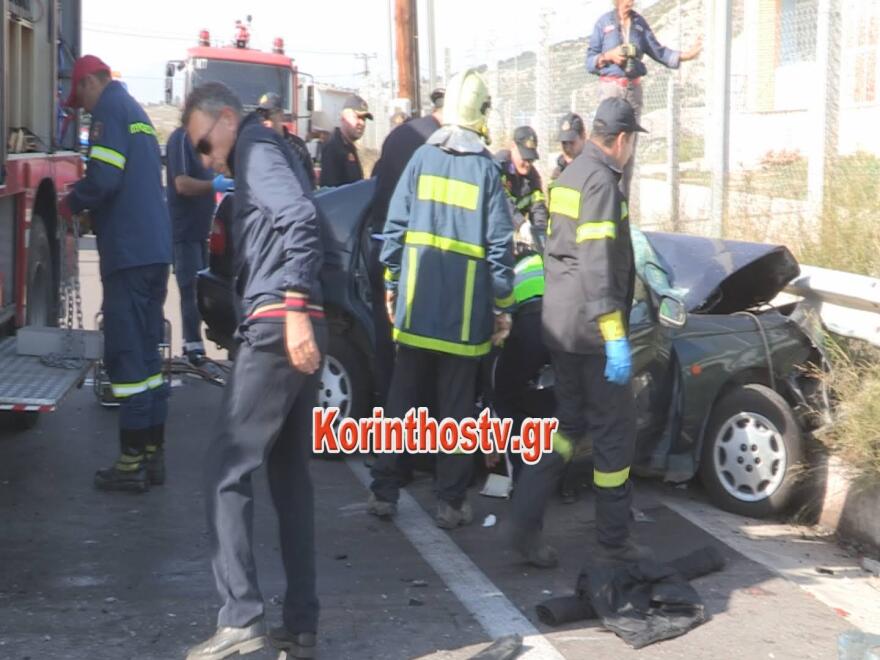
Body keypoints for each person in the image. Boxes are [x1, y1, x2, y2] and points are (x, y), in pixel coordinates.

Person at [182, 82, 326, 660]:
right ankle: (302, 623)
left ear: (225, 118)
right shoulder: (280, 150)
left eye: (202, 144)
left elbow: (299, 220)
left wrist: (292, 310)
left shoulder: (254, 149)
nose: (205, 159)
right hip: (297, 321)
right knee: (290, 476)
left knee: (225, 468)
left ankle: (241, 616)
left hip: (276, 326)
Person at [368, 69, 515, 529]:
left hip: (416, 309)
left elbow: (392, 233)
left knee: (402, 400)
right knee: (455, 409)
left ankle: (384, 491)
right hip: (465, 316)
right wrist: (502, 306)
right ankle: (451, 502)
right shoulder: (487, 170)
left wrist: (392, 286)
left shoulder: (420, 160)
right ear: (481, 115)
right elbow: (499, 248)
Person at [508, 97, 647, 568]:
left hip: (559, 324)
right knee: (614, 434)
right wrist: (614, 335)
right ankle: (614, 542)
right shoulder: (603, 183)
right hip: (591, 331)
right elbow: (596, 262)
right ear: (623, 140)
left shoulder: (568, 176)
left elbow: (560, 251)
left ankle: (524, 518)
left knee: (568, 428)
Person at [60, 55, 172, 493]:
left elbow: (104, 178)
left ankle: (130, 464)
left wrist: (73, 202)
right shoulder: (136, 111)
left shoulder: (109, 109)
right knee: (148, 359)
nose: (83, 108)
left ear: (92, 82)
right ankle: (152, 454)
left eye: (80, 97)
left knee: (126, 360)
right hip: (152, 251)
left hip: (127, 253)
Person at [368, 87, 445, 403]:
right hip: (415, 259)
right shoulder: (438, 146)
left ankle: (393, 433)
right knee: (418, 356)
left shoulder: (398, 137)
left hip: (381, 247)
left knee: (389, 348)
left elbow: (377, 186)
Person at [586, 0, 701, 197]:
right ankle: (600, 197)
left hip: (632, 91)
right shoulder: (603, 23)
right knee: (605, 143)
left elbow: (659, 51)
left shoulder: (639, 24)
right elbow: (589, 61)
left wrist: (686, 56)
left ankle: (622, 207)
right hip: (610, 90)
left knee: (627, 152)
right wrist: (608, 56)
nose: (630, 3)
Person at [165, 126, 233, 365]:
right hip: (185, 230)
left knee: (204, 291)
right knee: (190, 289)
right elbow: (181, 184)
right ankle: (192, 346)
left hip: (202, 229)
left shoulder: (203, 141)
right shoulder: (181, 138)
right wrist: (213, 186)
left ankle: (198, 345)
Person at [495, 126, 549, 251]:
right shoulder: (498, 167)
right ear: (513, 146)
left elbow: (538, 206)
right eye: (524, 158)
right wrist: (521, 224)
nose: (528, 164)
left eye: (531, 159)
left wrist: (540, 234)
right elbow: (502, 200)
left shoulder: (532, 177)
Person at [256, 92, 317, 190]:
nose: (264, 120)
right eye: (261, 116)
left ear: (281, 115)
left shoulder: (298, 146)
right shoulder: (256, 146)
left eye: (268, 115)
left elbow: (310, 182)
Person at [318, 94, 372, 187]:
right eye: (357, 117)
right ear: (343, 117)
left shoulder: (348, 146)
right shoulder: (333, 148)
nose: (362, 123)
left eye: (364, 119)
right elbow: (331, 193)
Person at [550, 112, 587, 181]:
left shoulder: (594, 171)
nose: (567, 148)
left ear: (583, 136)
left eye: (571, 142)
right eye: (564, 143)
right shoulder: (558, 173)